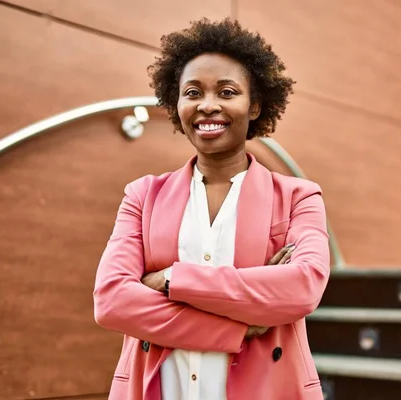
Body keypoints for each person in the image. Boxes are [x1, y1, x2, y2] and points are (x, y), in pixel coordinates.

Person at [93, 18, 330, 400]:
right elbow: (111, 301)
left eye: (226, 91)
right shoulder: (142, 196)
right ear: (177, 104)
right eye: (192, 92)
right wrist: (238, 326)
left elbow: (302, 288)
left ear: (254, 106)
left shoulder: (299, 197)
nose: (207, 106)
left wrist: (173, 279)